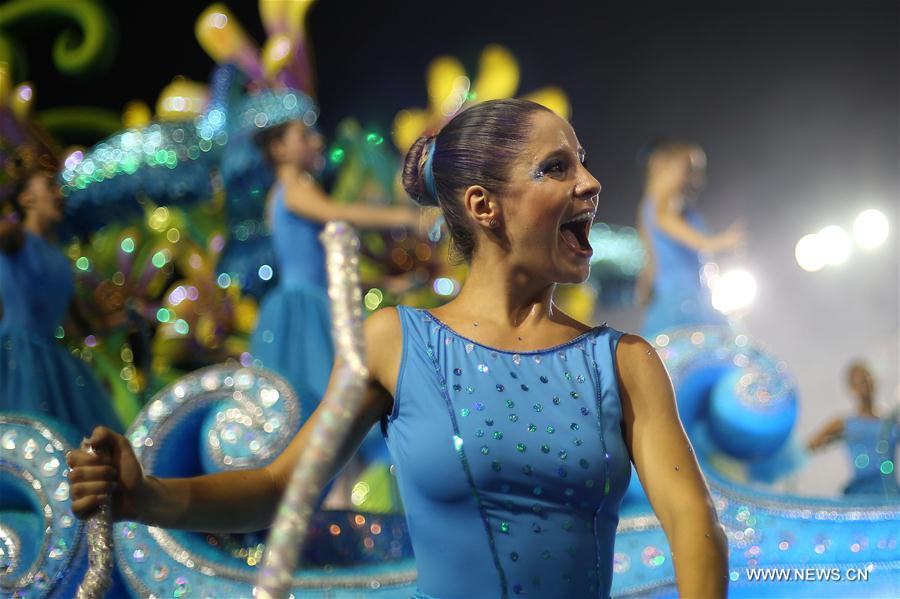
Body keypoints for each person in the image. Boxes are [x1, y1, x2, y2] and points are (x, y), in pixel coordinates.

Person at [68, 99, 728, 598]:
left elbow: (693, 519)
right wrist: (144, 496)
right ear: (484, 206)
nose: (590, 183)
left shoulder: (626, 361)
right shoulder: (395, 343)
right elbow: (281, 487)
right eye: (558, 167)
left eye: (583, 162)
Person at [246, 89, 426, 424]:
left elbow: (326, 266)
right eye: (303, 135)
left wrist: (387, 281)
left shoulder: (297, 189)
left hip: (320, 301)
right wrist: (405, 217)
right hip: (304, 310)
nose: (315, 141)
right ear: (279, 148)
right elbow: (337, 213)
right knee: (326, 405)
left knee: (333, 409)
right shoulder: (293, 187)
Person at [0, 167, 124, 435]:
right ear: (26, 199)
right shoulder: (15, 239)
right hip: (15, 357)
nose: (59, 193)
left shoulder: (61, 259)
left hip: (54, 364)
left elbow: (78, 327)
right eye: (49, 186)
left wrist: (118, 320)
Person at [635, 141, 745, 338]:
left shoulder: (649, 206)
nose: (696, 178)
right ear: (664, 166)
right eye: (690, 169)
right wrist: (717, 242)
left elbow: (651, 260)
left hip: (676, 302)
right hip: (685, 306)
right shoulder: (667, 203)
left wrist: (645, 288)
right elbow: (666, 221)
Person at [807, 361, 900, 496]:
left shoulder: (890, 424)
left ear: (874, 382)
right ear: (852, 388)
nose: (864, 382)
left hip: (889, 495)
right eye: (859, 380)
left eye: (867, 377)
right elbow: (807, 447)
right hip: (859, 495)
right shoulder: (844, 423)